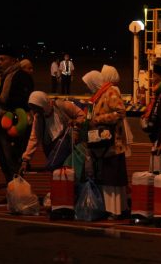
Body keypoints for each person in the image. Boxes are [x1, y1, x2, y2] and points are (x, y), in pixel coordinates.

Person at [82, 70, 130, 219]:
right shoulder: (98, 96)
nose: (89, 88)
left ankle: (115, 210)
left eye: (89, 84)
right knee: (108, 177)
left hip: (113, 143)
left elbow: (121, 112)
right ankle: (114, 208)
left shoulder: (110, 93)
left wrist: (100, 119)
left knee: (112, 178)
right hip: (103, 144)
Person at [0, 47, 34, 185]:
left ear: (14, 60)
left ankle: (19, 194)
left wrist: (4, 101)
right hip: (1, 122)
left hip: (15, 124)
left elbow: (26, 99)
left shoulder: (21, 76)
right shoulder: (2, 77)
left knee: (13, 161)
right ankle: (12, 193)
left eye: (3, 59)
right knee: (3, 161)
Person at [18, 92, 85, 174]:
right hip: (52, 148)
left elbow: (82, 116)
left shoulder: (62, 106)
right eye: (33, 108)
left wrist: (76, 130)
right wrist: (26, 160)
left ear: (43, 103)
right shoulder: (38, 117)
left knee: (55, 167)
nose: (35, 110)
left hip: (69, 143)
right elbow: (34, 138)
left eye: (37, 107)